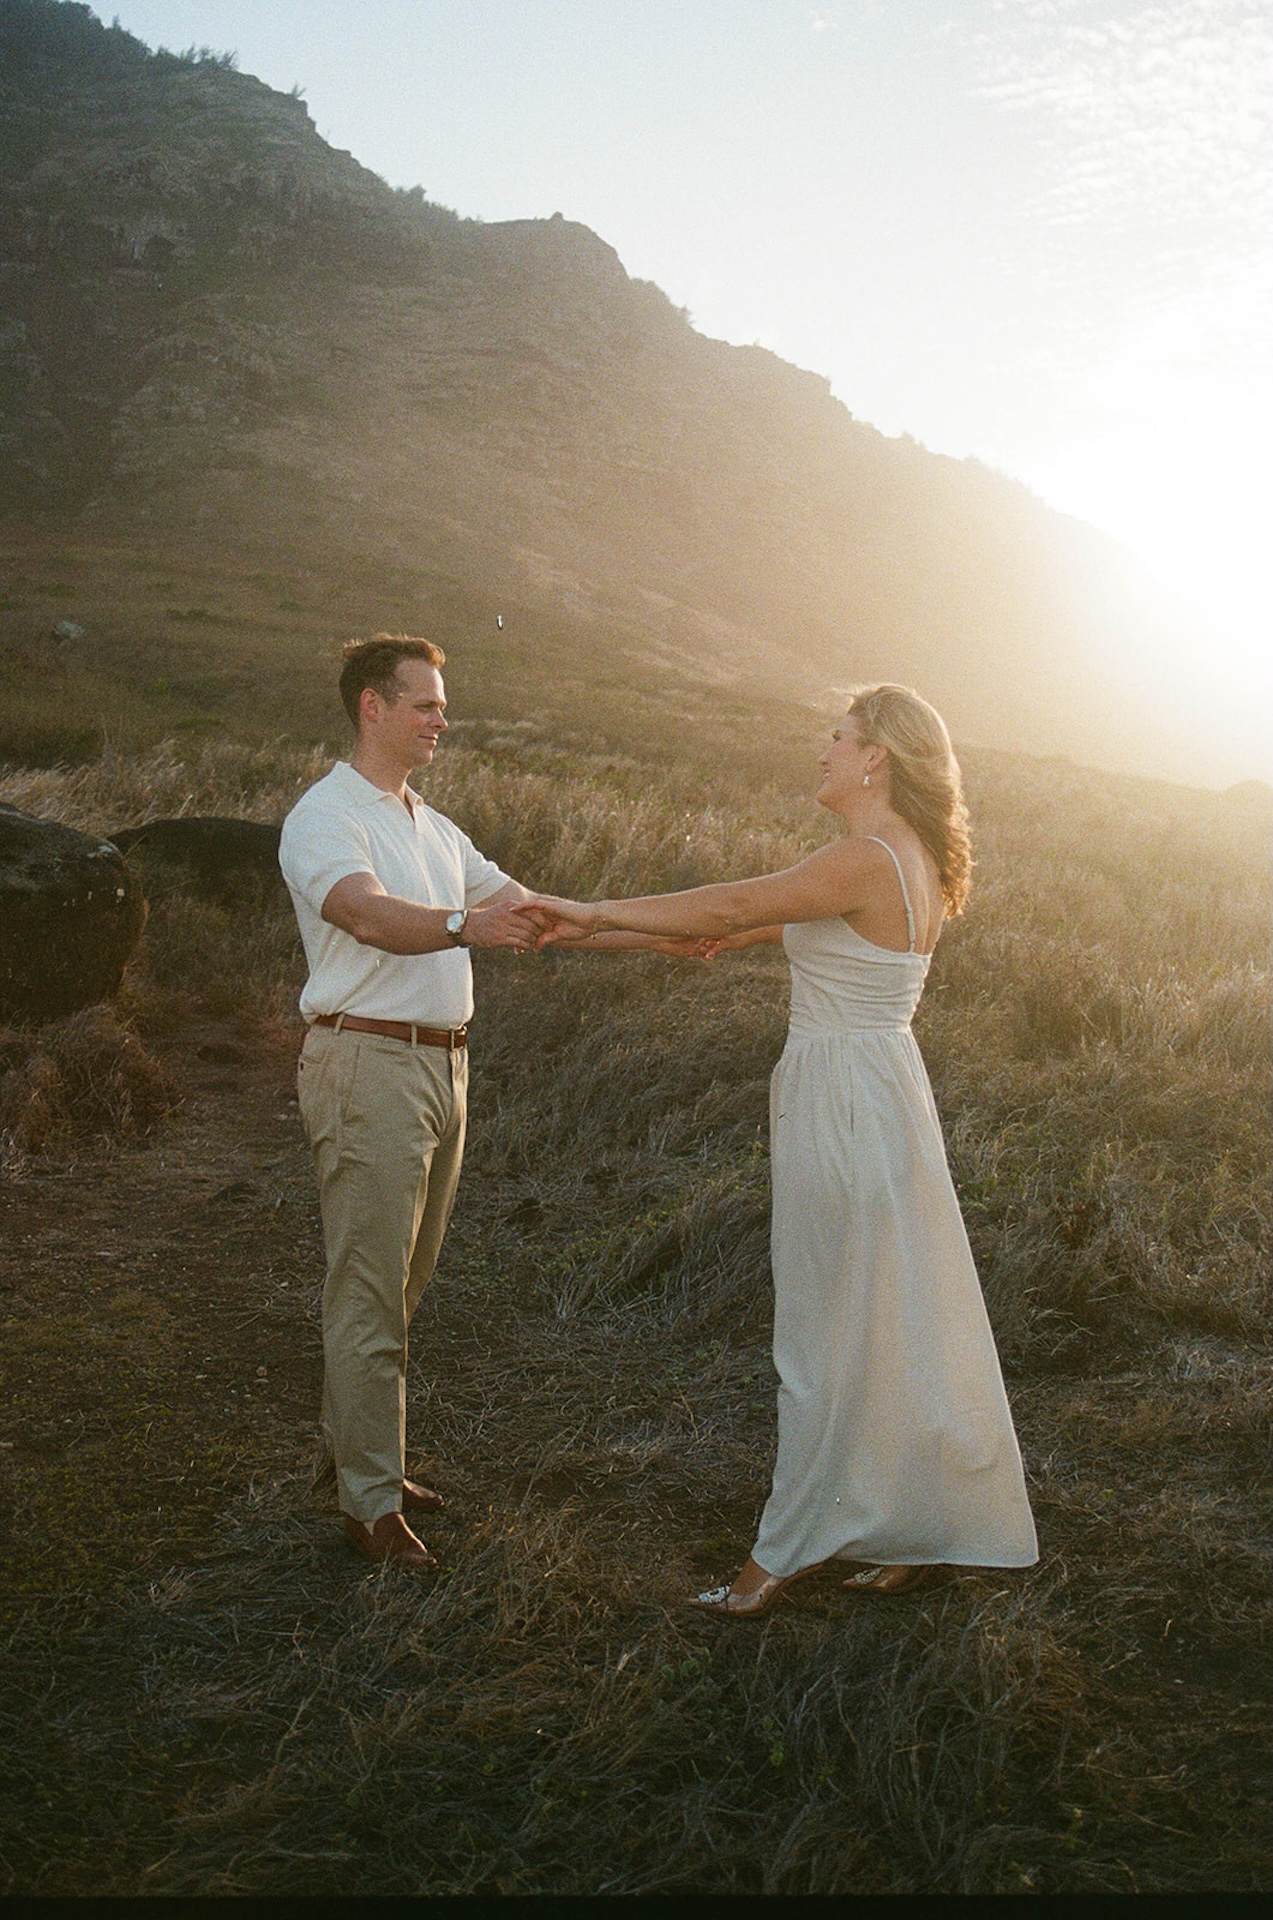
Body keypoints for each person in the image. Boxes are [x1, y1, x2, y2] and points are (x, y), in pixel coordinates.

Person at [531, 684, 1038, 1614]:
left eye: (837, 739)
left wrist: (595, 905)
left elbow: (726, 904)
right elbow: (716, 937)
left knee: (824, 1329)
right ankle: (914, 1528)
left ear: (876, 756)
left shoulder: (863, 857)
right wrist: (585, 933)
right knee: (890, 1319)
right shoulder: (909, 857)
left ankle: (786, 1550)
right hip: (881, 1093)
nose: (823, 753)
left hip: (842, 1102)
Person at [281, 635, 708, 1573]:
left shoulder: (432, 827)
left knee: (403, 1285)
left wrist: (655, 941)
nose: (442, 720)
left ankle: (366, 1465)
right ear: (372, 709)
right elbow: (361, 913)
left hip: (442, 1071)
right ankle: (366, 1502)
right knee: (368, 1289)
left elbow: (534, 913)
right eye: (425, 704)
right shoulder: (326, 817)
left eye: (441, 705)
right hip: (368, 1066)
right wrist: (461, 926)